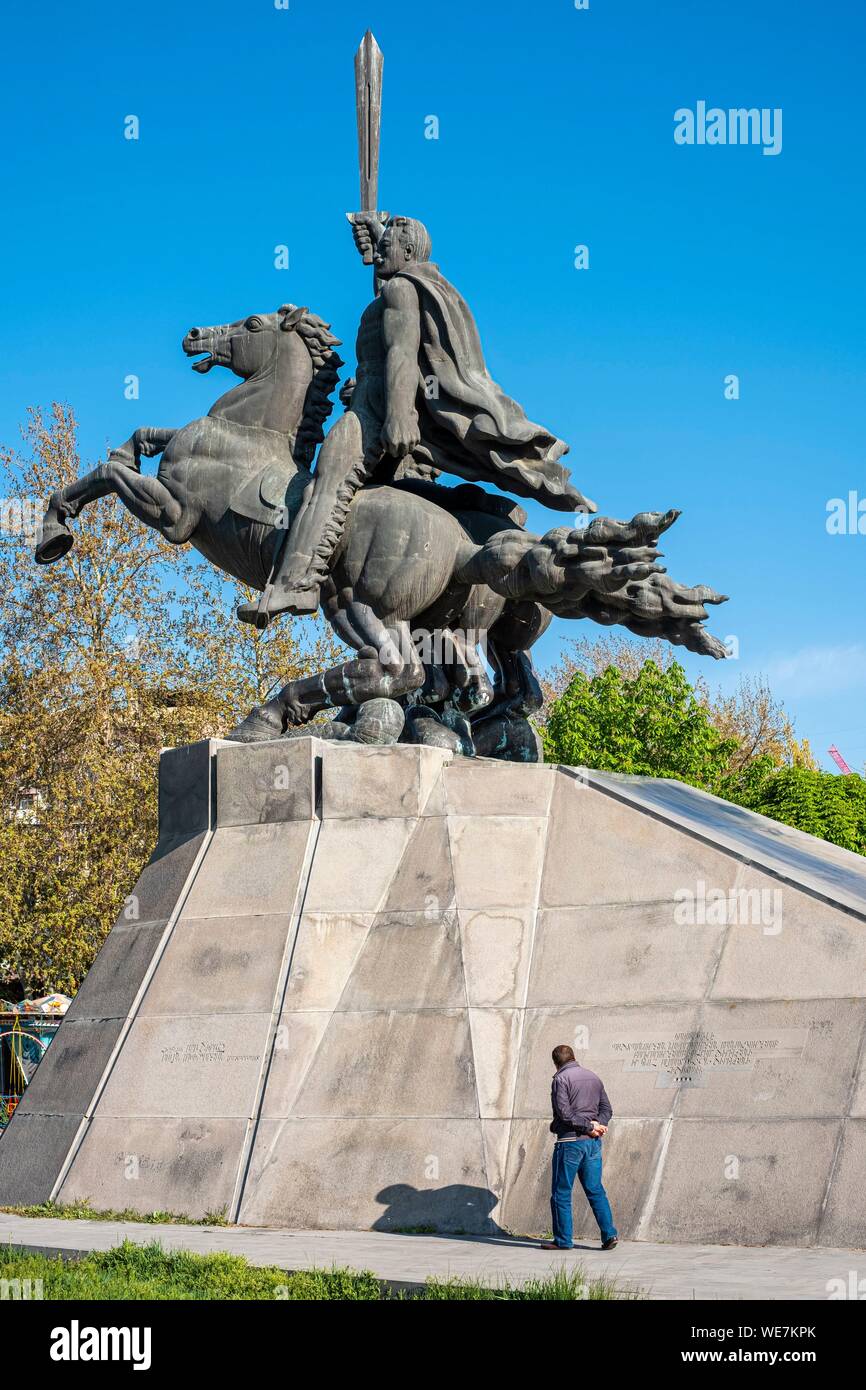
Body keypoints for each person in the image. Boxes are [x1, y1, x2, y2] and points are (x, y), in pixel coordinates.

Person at [236, 212, 594, 626]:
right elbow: (387, 304)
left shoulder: (402, 289)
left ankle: (296, 584)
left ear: (407, 252)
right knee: (399, 493)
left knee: (328, 482)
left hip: (375, 410)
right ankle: (481, 514)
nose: (380, 254)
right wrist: (375, 233)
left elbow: (401, 351)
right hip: (383, 405)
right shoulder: (405, 287)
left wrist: (400, 413)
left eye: (387, 247)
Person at [539, 1043, 618, 1252]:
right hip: (592, 1145)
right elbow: (607, 1109)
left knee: (561, 1192)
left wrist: (589, 1127)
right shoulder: (593, 1077)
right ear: (573, 1057)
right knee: (595, 1190)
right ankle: (609, 1235)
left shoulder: (560, 1079)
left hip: (570, 1143)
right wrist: (597, 1126)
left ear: (556, 1063)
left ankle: (563, 1240)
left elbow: (564, 1113)